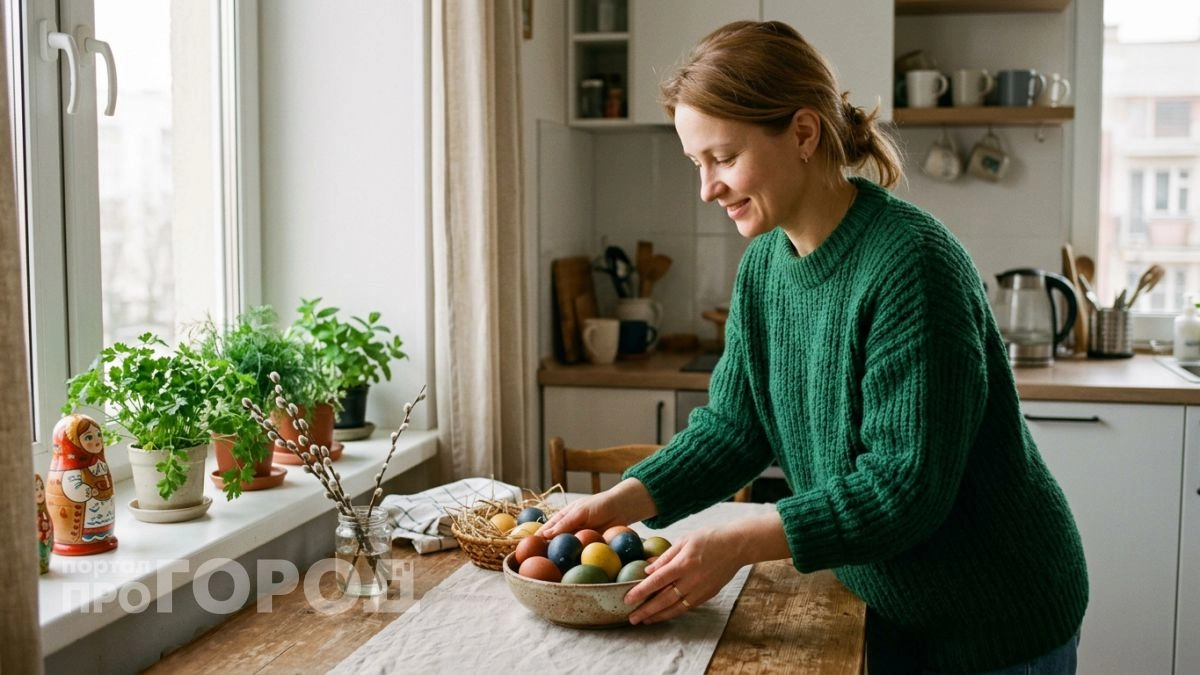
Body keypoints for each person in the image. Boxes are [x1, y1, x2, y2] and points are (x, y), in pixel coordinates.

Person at [540, 20, 1087, 675]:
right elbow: (733, 429)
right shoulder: (765, 264)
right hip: (879, 608)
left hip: (992, 623)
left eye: (723, 157)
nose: (707, 187)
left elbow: (902, 488)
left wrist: (741, 539)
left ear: (803, 133)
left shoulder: (911, 264)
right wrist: (616, 502)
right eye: (697, 163)